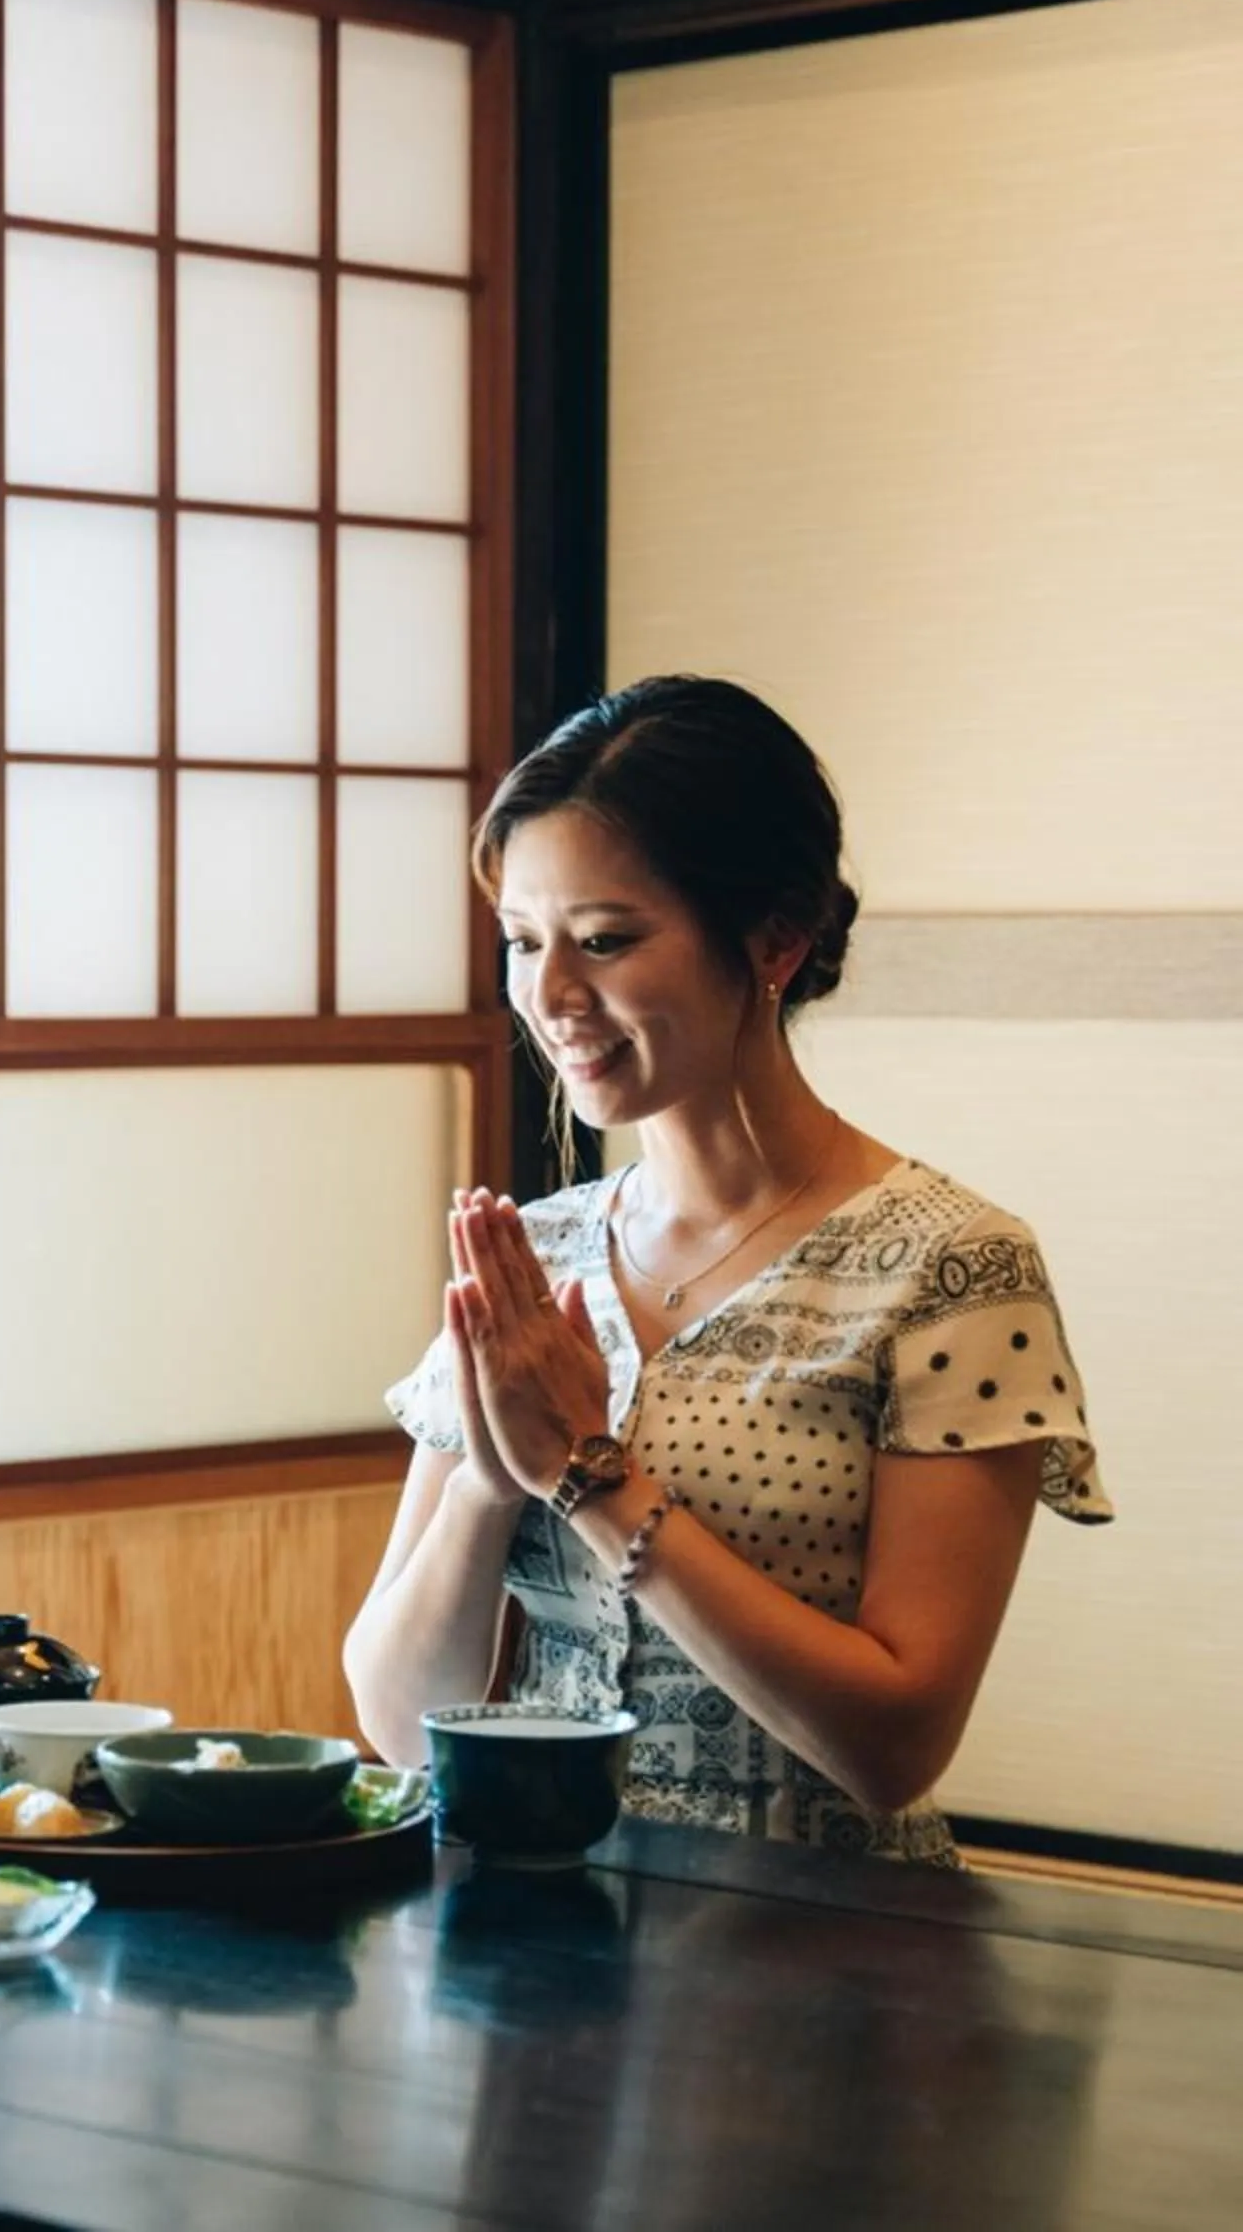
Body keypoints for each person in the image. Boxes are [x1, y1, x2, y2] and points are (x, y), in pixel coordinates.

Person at [343, 676, 1108, 1867]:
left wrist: (591, 1478)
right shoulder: (533, 1256)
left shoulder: (949, 1269)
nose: (550, 997)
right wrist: (495, 1480)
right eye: (521, 943)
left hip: (817, 1958)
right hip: (528, 1945)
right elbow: (397, 1731)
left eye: (604, 941)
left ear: (775, 938)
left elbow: (895, 1746)